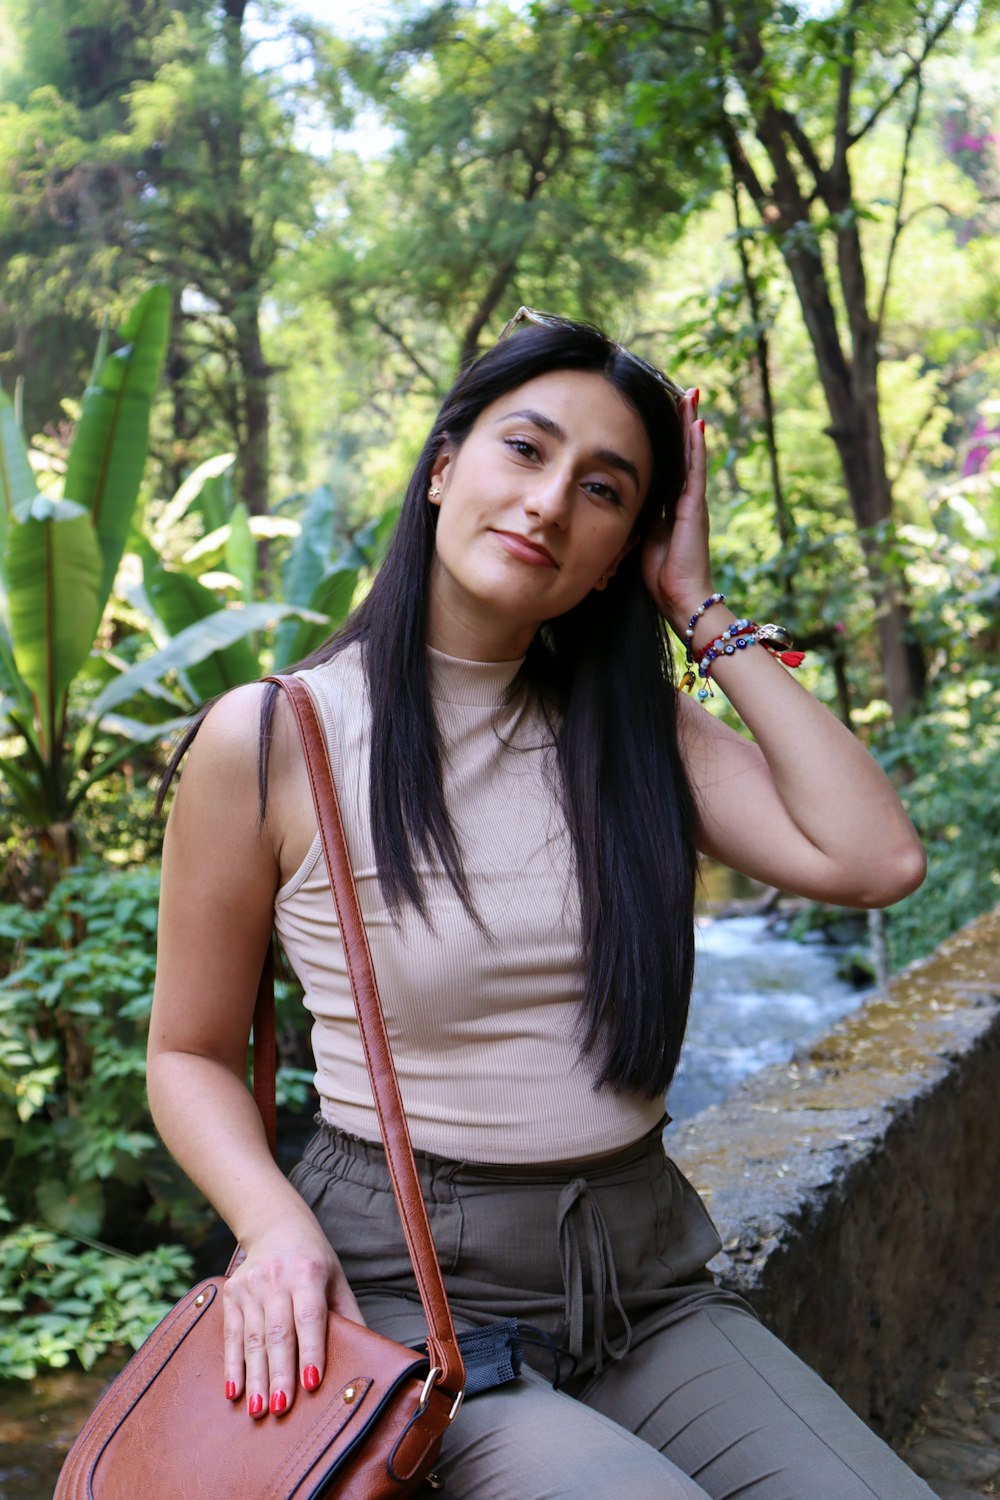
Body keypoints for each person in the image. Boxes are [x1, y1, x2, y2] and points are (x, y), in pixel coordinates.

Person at [148, 308, 932, 1499]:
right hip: (414, 1291)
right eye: (525, 449)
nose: (550, 501)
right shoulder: (274, 737)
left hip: (646, 1284)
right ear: (443, 464)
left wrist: (698, 606)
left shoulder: (635, 732)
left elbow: (874, 860)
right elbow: (190, 1053)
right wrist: (274, 1229)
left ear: (622, 547)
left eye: (605, 488)